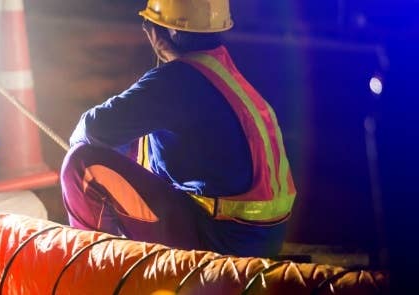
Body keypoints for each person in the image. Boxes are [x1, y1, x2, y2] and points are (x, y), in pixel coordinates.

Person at [61, 0, 297, 258]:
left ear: (162, 33)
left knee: (82, 163)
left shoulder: (177, 80)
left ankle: (99, 273)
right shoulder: (223, 75)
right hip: (257, 240)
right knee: (132, 149)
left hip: (220, 242)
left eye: (149, 25)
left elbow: (93, 128)